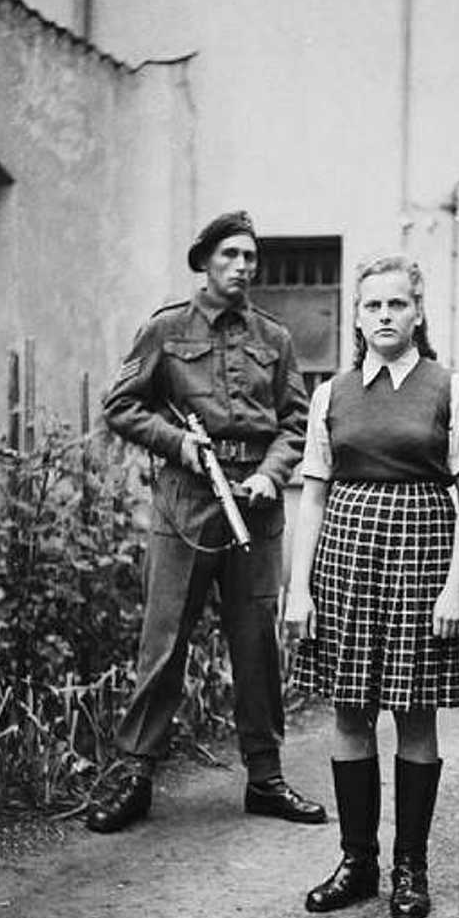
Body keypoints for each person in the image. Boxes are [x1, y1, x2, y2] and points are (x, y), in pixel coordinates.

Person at [87, 210, 326, 833]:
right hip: (187, 501)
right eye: (229, 255)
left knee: (257, 648)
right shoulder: (166, 329)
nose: (242, 266)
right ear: (205, 261)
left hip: (255, 502)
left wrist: (273, 473)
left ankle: (267, 779)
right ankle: (135, 775)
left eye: (249, 256)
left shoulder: (274, 337)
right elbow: (121, 406)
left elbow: (296, 420)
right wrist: (177, 444)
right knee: (163, 644)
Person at [285, 254, 459, 918]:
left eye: (398, 304)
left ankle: (410, 868)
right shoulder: (330, 393)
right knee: (348, 710)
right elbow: (311, 497)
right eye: (373, 306)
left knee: (415, 713)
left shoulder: (451, 388)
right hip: (346, 555)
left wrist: (458, 584)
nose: (385, 316)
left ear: (418, 312)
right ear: (358, 316)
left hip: (422, 554)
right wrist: (298, 589)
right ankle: (357, 861)